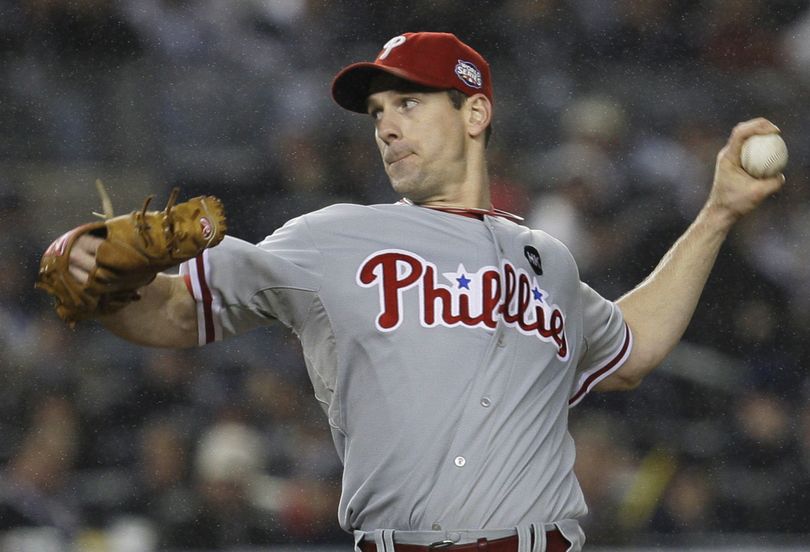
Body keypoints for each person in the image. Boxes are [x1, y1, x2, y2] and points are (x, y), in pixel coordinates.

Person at [62, 32, 784, 551]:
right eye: (377, 114)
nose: (386, 128)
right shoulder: (331, 237)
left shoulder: (550, 260)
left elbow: (631, 349)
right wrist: (95, 271)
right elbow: (174, 310)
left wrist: (716, 212)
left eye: (407, 104)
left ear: (474, 114)